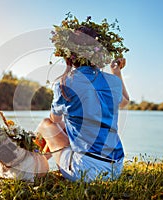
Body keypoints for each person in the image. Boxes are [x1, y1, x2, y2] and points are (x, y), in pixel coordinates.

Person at [36, 16, 129, 182]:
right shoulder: (113, 81)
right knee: (67, 125)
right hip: (116, 168)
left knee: (46, 124)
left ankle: (35, 163)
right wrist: (116, 71)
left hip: (85, 171)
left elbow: (54, 120)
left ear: (69, 54)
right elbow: (125, 101)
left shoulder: (64, 83)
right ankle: (37, 161)